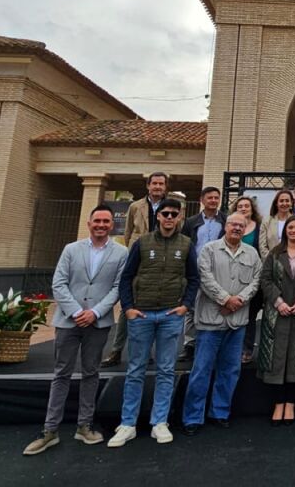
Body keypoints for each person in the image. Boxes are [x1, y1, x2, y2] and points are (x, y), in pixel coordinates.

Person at [24, 204, 128, 455]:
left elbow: (118, 287)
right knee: (61, 373)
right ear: (89, 223)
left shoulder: (121, 252)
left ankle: (84, 425)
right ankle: (50, 430)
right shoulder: (71, 249)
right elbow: (59, 283)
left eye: (106, 221)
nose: (101, 225)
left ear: (112, 225)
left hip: (98, 323)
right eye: (97, 221)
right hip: (68, 322)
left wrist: (95, 312)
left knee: (91, 373)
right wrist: (76, 312)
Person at [107, 198, 197, 447]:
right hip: (142, 315)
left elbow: (193, 278)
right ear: (158, 216)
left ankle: (160, 421)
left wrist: (185, 306)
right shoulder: (142, 243)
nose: (169, 218)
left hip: (170, 315)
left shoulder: (186, 244)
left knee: (166, 370)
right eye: (165, 213)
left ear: (179, 217)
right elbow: (126, 277)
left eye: (174, 214)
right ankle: (128, 423)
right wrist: (128, 308)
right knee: (135, 370)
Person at [182, 212, 263, 435]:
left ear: (245, 229)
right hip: (211, 320)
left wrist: (238, 301)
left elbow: (256, 281)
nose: (236, 228)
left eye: (241, 226)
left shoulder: (252, 253)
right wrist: (225, 299)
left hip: (237, 322)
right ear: (225, 226)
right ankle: (193, 417)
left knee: (230, 370)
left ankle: (219, 412)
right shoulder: (209, 250)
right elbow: (204, 278)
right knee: (201, 370)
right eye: (233, 224)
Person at [103, 172, 171, 367]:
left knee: (153, 306)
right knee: (129, 304)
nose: (157, 187)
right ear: (148, 185)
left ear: (165, 187)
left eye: (161, 184)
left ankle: (147, 351)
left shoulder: (171, 207)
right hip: (139, 256)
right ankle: (116, 350)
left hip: (161, 259)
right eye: (154, 183)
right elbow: (127, 233)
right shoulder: (135, 206)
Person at [257, 214, 295, 425]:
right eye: (290, 228)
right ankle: (278, 403)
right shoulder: (274, 253)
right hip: (278, 313)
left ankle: (290, 403)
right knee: (277, 359)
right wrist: (278, 302)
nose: (294, 231)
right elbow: (265, 279)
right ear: (285, 231)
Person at [181, 186, 226, 361]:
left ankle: (211, 343)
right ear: (202, 200)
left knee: (214, 305)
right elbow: (185, 244)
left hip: (218, 269)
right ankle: (189, 344)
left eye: (216, 198)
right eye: (210, 198)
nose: (213, 201)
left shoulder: (225, 220)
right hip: (195, 269)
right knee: (191, 307)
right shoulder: (191, 222)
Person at [232, 195, 263, 364]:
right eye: (240, 206)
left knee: (250, 315)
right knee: (233, 312)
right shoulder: (231, 226)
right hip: (232, 276)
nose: (243, 208)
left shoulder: (260, 227)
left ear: (252, 209)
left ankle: (246, 349)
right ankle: (232, 349)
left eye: (246, 206)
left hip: (253, 278)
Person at [260, 189, 295, 258]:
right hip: (270, 260)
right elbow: (262, 246)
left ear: (291, 203)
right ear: (276, 203)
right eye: (281, 201)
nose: (284, 203)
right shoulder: (267, 221)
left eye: (287, 201)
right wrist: (271, 260)